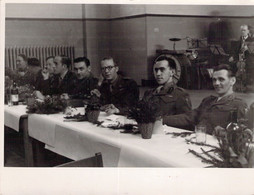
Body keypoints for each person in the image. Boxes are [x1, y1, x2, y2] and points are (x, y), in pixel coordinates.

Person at [163, 64, 248, 135]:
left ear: (232, 81)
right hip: (196, 141)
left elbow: (242, 134)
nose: (216, 83)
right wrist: (162, 120)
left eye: (221, 79)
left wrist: (223, 133)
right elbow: (189, 117)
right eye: (214, 80)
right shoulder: (208, 101)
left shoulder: (239, 104)